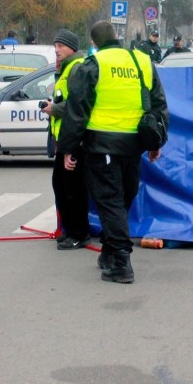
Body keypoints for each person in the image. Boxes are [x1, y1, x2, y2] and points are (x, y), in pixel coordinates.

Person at [58, 21, 168, 283]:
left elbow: (76, 111)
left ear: (94, 43)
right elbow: (159, 104)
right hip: (134, 145)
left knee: (110, 201)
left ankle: (121, 263)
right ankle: (109, 251)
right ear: (116, 37)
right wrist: (155, 144)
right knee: (123, 197)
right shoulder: (141, 61)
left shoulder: (93, 65)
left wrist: (68, 148)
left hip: (103, 144)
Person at [39, 29, 90, 250]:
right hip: (64, 139)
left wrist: (55, 109)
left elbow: (78, 106)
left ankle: (79, 233)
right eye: (55, 46)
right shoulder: (66, 69)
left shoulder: (77, 68)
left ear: (72, 48)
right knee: (60, 185)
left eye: (61, 46)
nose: (56, 50)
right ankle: (70, 230)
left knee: (73, 189)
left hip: (74, 140)